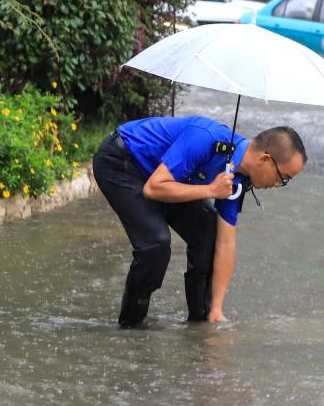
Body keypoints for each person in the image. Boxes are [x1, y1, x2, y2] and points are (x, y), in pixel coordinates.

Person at [92, 116, 307, 327]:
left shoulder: (238, 177)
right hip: (123, 162)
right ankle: (131, 324)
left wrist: (217, 308)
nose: (279, 184)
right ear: (265, 160)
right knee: (156, 244)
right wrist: (211, 190)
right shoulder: (205, 139)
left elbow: (225, 243)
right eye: (283, 177)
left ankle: (202, 320)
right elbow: (153, 188)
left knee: (209, 232)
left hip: (166, 178)